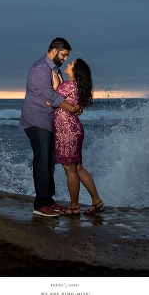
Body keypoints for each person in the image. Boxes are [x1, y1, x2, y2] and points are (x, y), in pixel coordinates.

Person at [18, 38, 83, 217]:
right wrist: (72, 109)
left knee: (49, 161)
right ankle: (40, 205)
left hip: (48, 120)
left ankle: (48, 200)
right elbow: (51, 96)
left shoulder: (55, 70)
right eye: (63, 55)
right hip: (36, 119)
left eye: (66, 56)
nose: (64, 59)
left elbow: (58, 94)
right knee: (42, 161)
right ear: (54, 51)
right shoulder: (41, 68)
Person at [51, 58, 104, 216]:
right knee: (78, 168)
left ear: (76, 71)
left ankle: (74, 207)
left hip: (66, 131)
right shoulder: (76, 87)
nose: (67, 65)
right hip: (75, 129)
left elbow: (51, 101)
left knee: (71, 171)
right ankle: (96, 200)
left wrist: (55, 86)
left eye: (71, 64)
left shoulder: (68, 86)